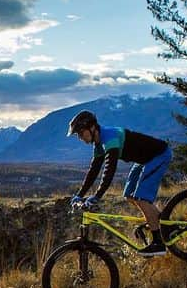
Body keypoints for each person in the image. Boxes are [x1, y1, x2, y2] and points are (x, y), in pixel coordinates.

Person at [67, 110, 172, 257]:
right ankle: (161, 222)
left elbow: (109, 170)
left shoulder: (109, 138)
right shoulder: (98, 144)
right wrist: (79, 195)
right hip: (143, 161)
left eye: (80, 133)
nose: (79, 137)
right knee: (129, 195)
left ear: (92, 128)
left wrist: (97, 195)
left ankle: (158, 243)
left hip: (159, 155)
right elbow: (93, 171)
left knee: (141, 198)